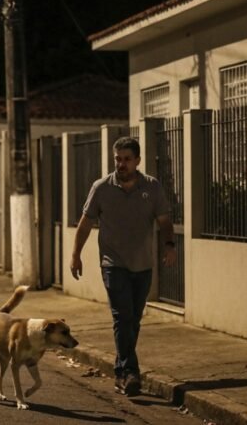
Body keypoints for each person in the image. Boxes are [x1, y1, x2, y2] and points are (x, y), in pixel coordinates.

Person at [70, 136, 176, 396]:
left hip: (143, 264)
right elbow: (85, 223)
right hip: (112, 263)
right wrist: (75, 254)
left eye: (127, 159)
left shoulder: (152, 187)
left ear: (137, 161)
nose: (121, 164)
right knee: (122, 316)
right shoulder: (101, 187)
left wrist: (170, 246)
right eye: (118, 159)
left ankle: (120, 371)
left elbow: (164, 221)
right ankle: (131, 373)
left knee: (134, 320)